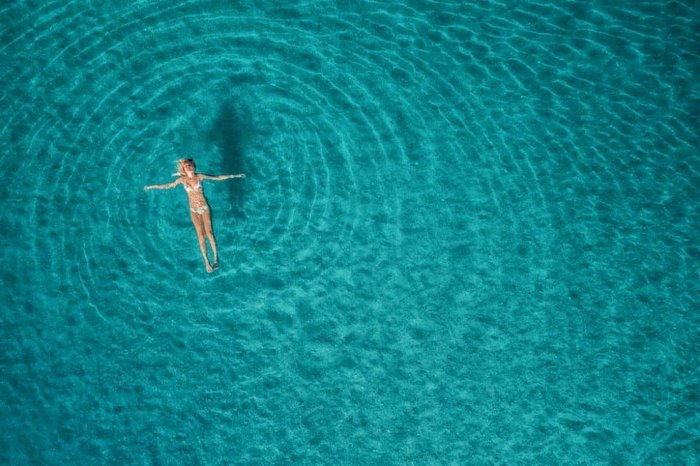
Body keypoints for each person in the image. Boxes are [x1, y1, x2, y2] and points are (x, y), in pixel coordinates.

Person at [144, 158, 245, 272]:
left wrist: (234, 176)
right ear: (184, 169)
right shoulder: (182, 180)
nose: (188, 167)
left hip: (204, 207)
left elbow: (217, 178)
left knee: (209, 233)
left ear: (194, 167)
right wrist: (153, 187)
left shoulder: (200, 177)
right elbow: (168, 185)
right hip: (193, 210)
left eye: (190, 165)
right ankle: (206, 262)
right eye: (186, 166)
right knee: (201, 236)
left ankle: (216, 259)